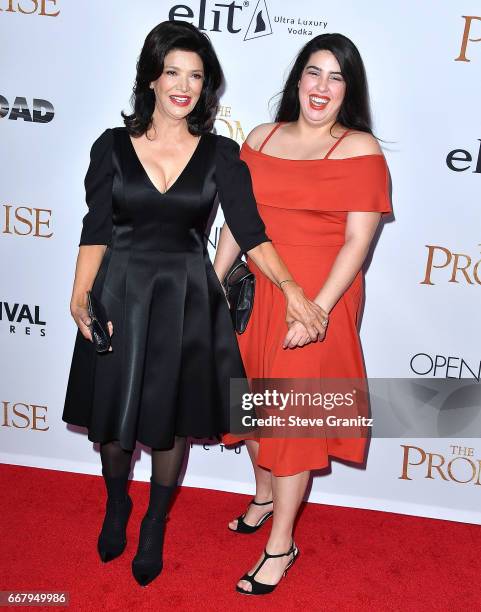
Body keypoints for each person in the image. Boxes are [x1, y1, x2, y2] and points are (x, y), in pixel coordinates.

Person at [62, 20, 327, 588]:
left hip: (186, 297)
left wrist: (294, 290)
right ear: (151, 79)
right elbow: (96, 229)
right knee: (112, 431)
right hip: (119, 291)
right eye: (173, 72)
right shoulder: (110, 146)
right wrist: (80, 294)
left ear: (207, 88)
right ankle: (117, 505)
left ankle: (154, 525)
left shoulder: (220, 155)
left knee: (168, 424)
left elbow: (251, 232)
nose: (184, 85)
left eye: (196, 76)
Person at [215, 33, 392, 595]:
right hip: (261, 290)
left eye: (336, 77)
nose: (322, 87)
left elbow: (356, 243)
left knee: (290, 420)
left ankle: (281, 545)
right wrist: (211, 285)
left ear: (349, 90)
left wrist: (314, 308)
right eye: (313, 73)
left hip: (322, 298)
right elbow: (237, 223)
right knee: (253, 408)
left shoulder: (360, 149)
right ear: (297, 79)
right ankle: (265, 497)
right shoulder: (262, 138)